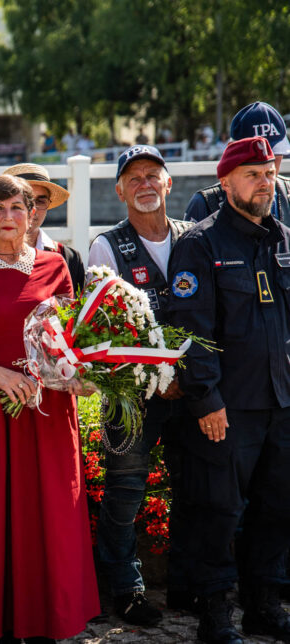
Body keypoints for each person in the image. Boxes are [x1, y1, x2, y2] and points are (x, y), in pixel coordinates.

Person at [0, 175, 98, 644]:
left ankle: (50, 619)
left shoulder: (56, 266)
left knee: (52, 510)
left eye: (17, 208)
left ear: (31, 215)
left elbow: (70, 341)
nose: (9, 218)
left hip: (49, 412)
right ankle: (3, 622)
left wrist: (83, 377)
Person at [168, 137, 290, 644]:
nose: (264, 183)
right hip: (228, 408)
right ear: (225, 182)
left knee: (277, 507)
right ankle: (215, 613)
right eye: (252, 174)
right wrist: (206, 398)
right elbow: (189, 331)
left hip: (282, 402)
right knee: (218, 511)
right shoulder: (201, 244)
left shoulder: (284, 239)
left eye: (270, 173)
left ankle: (264, 605)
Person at [87, 145, 197, 622]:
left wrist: (189, 378)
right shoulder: (107, 246)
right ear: (119, 191)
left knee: (196, 487)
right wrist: (155, 377)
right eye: (134, 178)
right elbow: (101, 332)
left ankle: (188, 585)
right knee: (125, 493)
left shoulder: (195, 236)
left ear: (169, 183)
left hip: (194, 391)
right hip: (132, 395)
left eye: (153, 175)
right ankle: (126, 589)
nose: (145, 184)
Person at [0, 163, 85, 288]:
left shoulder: (69, 258)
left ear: (48, 204)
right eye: (24, 202)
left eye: (40, 201)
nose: (32, 209)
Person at [184, 101, 290, 223]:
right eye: (255, 157)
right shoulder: (205, 204)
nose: (266, 162)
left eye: (274, 154)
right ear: (232, 152)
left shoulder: (287, 195)